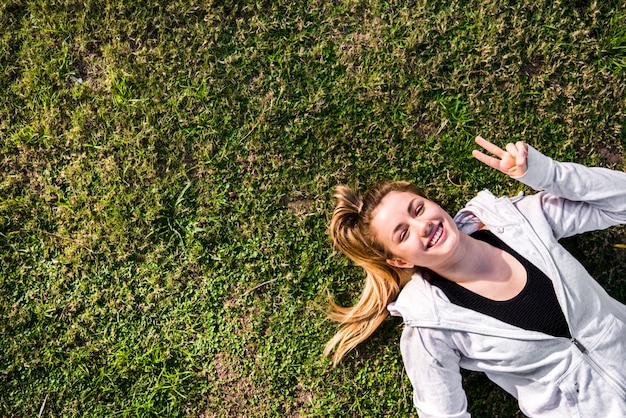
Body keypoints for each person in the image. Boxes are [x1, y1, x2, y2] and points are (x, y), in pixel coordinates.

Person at [324, 136, 626, 417]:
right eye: (403, 234)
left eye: (418, 209)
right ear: (399, 260)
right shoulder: (431, 326)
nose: (422, 226)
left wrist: (545, 174)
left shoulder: (519, 221)